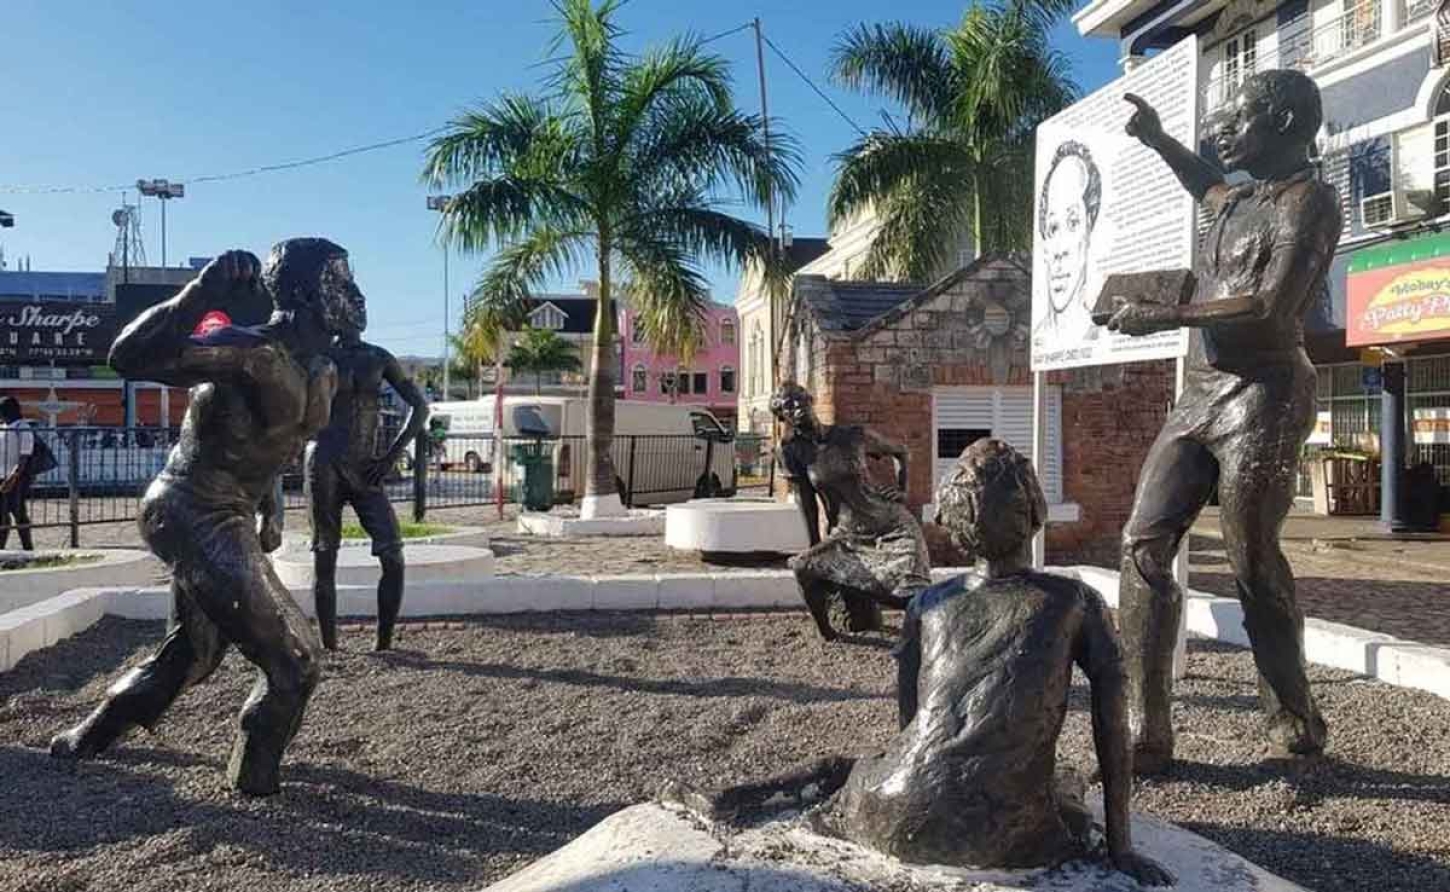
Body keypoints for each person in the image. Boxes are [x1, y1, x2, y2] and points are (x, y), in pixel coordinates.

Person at [1105, 70, 1341, 773]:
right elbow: (1204, 182)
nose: (1223, 132)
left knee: (1252, 557)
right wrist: (1158, 141)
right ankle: (1146, 729)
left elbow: (1271, 305)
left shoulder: (1311, 200)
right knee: (1142, 542)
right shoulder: (1237, 199)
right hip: (1201, 394)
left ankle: (1293, 716)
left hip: (1266, 393)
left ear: (1285, 123)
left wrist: (1165, 316)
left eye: (1239, 120)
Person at [50, 240, 349, 796]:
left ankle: (85, 738)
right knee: (295, 661)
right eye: (340, 283)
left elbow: (275, 444)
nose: (355, 296)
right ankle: (254, 780)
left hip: (232, 511)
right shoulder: (248, 351)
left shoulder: (324, 369)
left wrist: (272, 506)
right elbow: (128, 356)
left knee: (194, 653)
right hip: (190, 508)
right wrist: (199, 293)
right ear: (306, 295)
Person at [828, 440, 1171, 885]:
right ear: (1034, 513)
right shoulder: (1075, 601)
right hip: (1011, 838)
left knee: (849, 771)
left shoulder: (927, 603)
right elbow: (1112, 723)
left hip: (899, 808)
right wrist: (1120, 848)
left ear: (953, 523)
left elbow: (909, 724)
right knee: (1068, 787)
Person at [307, 286, 428, 652]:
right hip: (324, 462)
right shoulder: (318, 356)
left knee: (393, 554)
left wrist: (391, 457)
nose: (358, 310)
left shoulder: (379, 357)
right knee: (325, 555)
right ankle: (329, 646)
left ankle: (384, 644)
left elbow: (420, 407)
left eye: (361, 303)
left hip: (367, 467)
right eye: (350, 304)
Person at [770, 382, 929, 641]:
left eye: (799, 399)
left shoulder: (852, 436)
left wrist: (902, 491)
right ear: (782, 416)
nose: (796, 407)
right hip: (846, 533)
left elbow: (901, 452)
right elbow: (806, 502)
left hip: (891, 526)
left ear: (810, 399)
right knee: (803, 567)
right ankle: (829, 635)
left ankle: (924, 636)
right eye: (787, 406)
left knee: (910, 592)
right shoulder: (791, 450)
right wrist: (815, 546)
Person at [1035, 140, 1103, 345]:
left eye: (1073, 223)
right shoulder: (1037, 337)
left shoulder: (1098, 336)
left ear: (1089, 228)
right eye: (1053, 227)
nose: (1059, 252)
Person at [0, 396, 36, 551]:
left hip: (16, 478)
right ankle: (1, 548)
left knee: (19, 513)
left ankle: (27, 547)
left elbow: (24, 456)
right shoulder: (3, 427)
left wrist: (13, 477)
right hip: (1, 475)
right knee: (2, 515)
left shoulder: (23, 427)